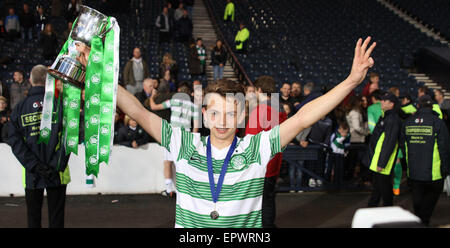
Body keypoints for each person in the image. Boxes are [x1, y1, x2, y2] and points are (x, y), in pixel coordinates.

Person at [102, 36, 376, 227]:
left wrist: (351, 81)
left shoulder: (257, 147)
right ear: (205, 115)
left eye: (231, 113)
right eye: (215, 113)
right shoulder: (183, 143)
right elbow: (138, 111)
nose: (223, 121)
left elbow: (303, 118)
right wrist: (100, 76)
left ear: (243, 115)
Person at [7, 65, 71, 228]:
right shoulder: (60, 105)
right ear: (48, 80)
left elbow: (14, 140)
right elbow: (69, 137)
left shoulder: (19, 108)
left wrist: (34, 165)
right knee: (57, 219)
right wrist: (56, 164)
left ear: (30, 80)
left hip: (31, 173)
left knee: (33, 218)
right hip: (57, 172)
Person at [400, 95, 450, 226]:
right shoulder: (438, 122)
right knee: (429, 203)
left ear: (418, 106)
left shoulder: (408, 122)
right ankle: (423, 221)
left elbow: (403, 146)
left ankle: (419, 221)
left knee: (417, 202)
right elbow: (444, 148)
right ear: (432, 106)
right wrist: (446, 169)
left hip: (414, 172)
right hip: (435, 173)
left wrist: (407, 164)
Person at [245, 75, 287, 228]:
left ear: (259, 90)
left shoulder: (261, 110)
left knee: (258, 203)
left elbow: (251, 140)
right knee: (269, 200)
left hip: (261, 164)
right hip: (275, 161)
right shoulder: (280, 108)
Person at [150, 82, 200, 198]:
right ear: (189, 94)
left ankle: (169, 190)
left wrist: (152, 97)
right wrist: (192, 141)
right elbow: (196, 127)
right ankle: (183, 191)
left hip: (173, 136)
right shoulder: (194, 106)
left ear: (178, 91)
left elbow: (153, 107)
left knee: (168, 162)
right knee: (183, 164)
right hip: (186, 136)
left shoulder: (173, 101)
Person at [367, 92, 402, 207]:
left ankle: (386, 209)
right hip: (380, 159)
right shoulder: (386, 116)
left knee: (384, 187)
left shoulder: (392, 119)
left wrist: (382, 162)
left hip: (383, 161)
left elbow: (389, 142)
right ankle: (373, 206)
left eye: (384, 100)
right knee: (378, 186)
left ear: (391, 104)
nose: (381, 102)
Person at [345, 95, 369, 182]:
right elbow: (356, 127)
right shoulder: (355, 113)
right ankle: (354, 179)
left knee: (353, 161)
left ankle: (351, 179)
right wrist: (366, 132)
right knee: (357, 161)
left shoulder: (352, 112)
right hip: (357, 139)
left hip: (355, 139)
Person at [327, 121, 351, 190]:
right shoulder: (336, 135)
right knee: (330, 168)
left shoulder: (347, 136)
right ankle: (329, 183)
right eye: (343, 131)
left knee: (340, 169)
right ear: (339, 130)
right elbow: (336, 142)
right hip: (333, 153)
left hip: (341, 154)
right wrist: (344, 137)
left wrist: (346, 151)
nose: (345, 133)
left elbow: (347, 144)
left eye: (346, 132)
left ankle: (339, 184)